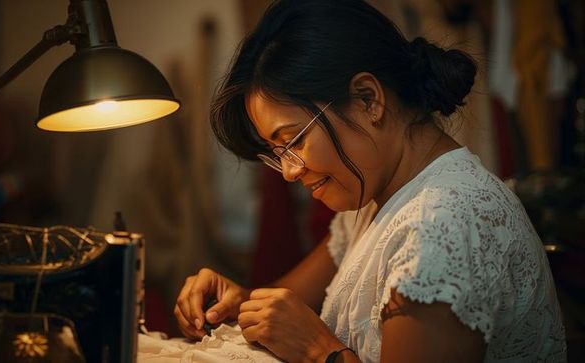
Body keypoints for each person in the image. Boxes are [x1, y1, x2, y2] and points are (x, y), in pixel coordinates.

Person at [173, 0, 566, 361]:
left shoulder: (443, 223)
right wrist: (238, 304)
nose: (290, 171)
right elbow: (285, 301)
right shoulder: (377, 202)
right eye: (278, 154)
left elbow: (305, 333)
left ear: (368, 100)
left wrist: (318, 350)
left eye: (293, 141)